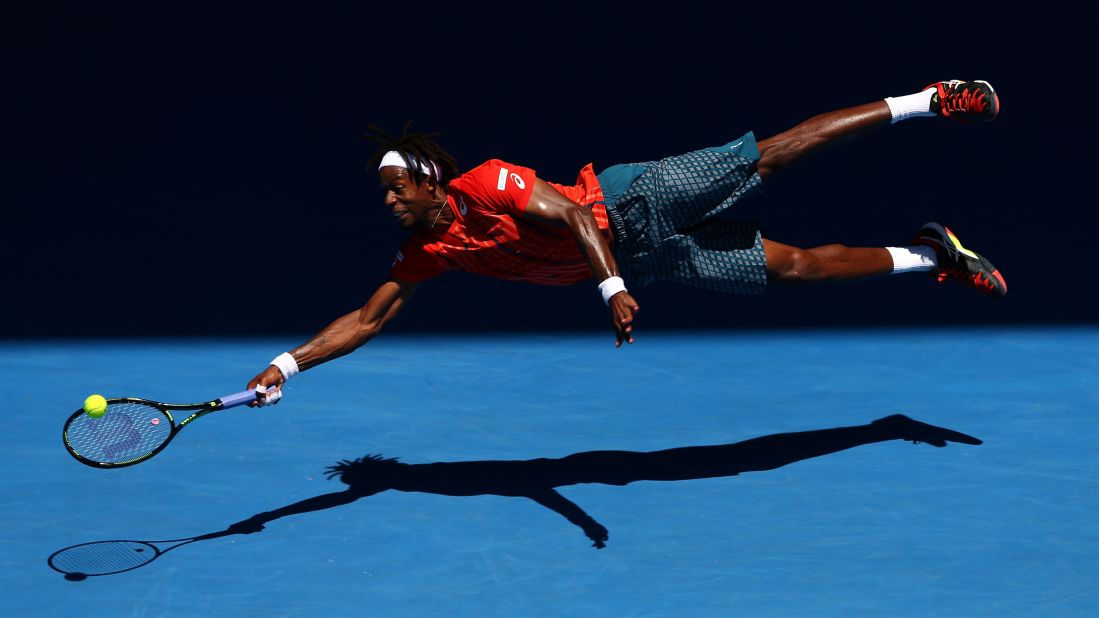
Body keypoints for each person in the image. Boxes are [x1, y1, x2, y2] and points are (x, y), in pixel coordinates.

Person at [247, 80, 1004, 404]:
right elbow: (368, 318)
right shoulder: (428, 254)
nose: (386, 203)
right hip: (644, 259)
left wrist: (610, 290)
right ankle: (935, 253)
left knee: (771, 154)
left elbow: (576, 220)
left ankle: (930, 99)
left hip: (630, 200)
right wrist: (285, 366)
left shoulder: (483, 182)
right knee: (795, 269)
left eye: (394, 190)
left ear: (427, 183)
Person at [227, 414, 982, 548]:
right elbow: (333, 495)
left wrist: (581, 521)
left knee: (746, 458)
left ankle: (881, 427)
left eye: (362, 484)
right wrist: (271, 516)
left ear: (376, 479)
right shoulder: (416, 480)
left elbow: (525, 485)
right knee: (740, 457)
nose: (359, 492)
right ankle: (878, 429)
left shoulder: (431, 478)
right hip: (603, 473)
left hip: (602, 473)